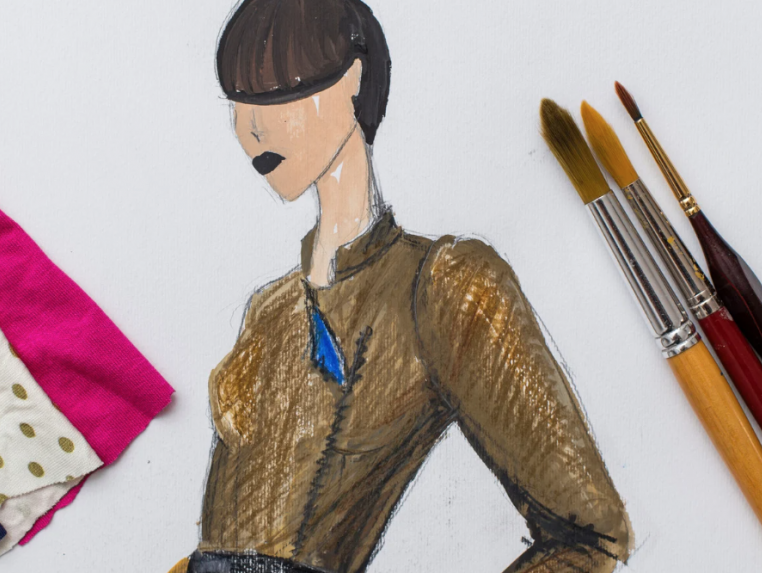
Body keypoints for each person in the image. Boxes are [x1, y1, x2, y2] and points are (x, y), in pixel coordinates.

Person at [172, 1, 632, 571]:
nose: (251, 126)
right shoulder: (270, 309)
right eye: (240, 101)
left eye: (280, 95)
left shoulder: (444, 283)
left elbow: (590, 534)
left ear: (354, 80)